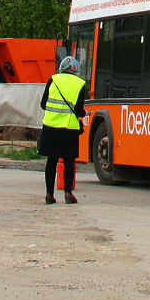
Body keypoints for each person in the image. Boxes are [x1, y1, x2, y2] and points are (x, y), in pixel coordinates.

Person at [39, 56, 89, 204]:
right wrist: (85, 113)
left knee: (51, 161)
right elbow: (79, 110)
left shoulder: (52, 80)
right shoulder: (80, 83)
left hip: (50, 126)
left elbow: (43, 104)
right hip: (69, 128)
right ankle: (68, 194)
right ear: (76, 70)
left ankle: (49, 194)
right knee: (68, 161)